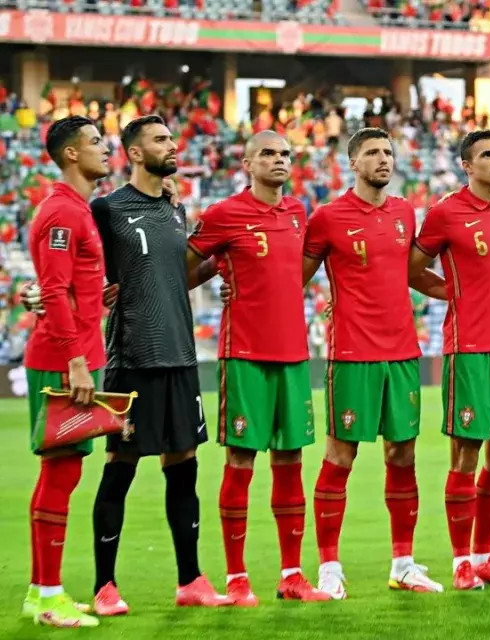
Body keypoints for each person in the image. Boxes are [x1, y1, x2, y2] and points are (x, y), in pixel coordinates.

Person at [88, 115, 230, 615]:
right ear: (134, 152)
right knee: (120, 468)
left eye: (171, 138)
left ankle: (190, 580)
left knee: (184, 468)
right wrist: (95, 292)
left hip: (181, 357)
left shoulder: (176, 208)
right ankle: (104, 586)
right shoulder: (106, 209)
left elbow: (173, 275)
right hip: (132, 359)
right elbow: (86, 271)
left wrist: (218, 270)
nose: (172, 145)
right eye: (160, 140)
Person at [301, 127, 448, 596]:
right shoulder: (327, 217)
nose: (384, 159)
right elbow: (295, 277)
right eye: (372, 152)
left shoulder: (405, 212)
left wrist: (463, 292)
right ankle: (329, 568)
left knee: (402, 455)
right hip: (352, 354)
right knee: (340, 456)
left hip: (403, 352)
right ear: (353, 162)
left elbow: (413, 274)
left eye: (388, 151)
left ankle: (403, 564)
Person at [186, 131, 330, 604]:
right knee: (241, 462)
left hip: (293, 354)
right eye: (267, 153)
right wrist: (218, 272)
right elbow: (182, 270)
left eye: (285, 153)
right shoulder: (224, 214)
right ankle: (236, 577)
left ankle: (292, 575)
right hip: (245, 354)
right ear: (247, 164)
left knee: (290, 462)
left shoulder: (297, 212)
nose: (278, 160)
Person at [407, 129, 490, 590]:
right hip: (471, 348)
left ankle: (484, 557)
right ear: (466, 165)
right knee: (465, 454)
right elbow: (411, 268)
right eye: (487, 155)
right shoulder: (446, 212)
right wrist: (450, 293)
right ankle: (461, 562)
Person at [22, 115, 109, 628]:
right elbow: (52, 290)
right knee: (60, 472)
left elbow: (70, 286)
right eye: (95, 141)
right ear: (71, 153)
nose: (105, 148)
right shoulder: (62, 212)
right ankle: (50, 596)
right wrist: (76, 361)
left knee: (62, 472)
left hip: (73, 355)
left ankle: (41, 591)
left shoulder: (77, 209)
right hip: (62, 360)